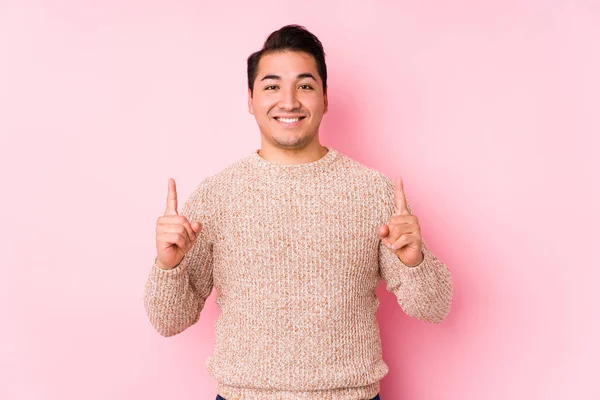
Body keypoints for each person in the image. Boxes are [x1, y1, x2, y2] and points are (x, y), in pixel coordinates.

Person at [144, 24, 453, 400]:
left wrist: (414, 262)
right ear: (250, 99)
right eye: (272, 86)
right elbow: (168, 320)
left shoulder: (374, 192)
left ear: (325, 97)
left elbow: (435, 308)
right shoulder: (216, 195)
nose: (288, 101)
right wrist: (168, 267)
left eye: (304, 86)